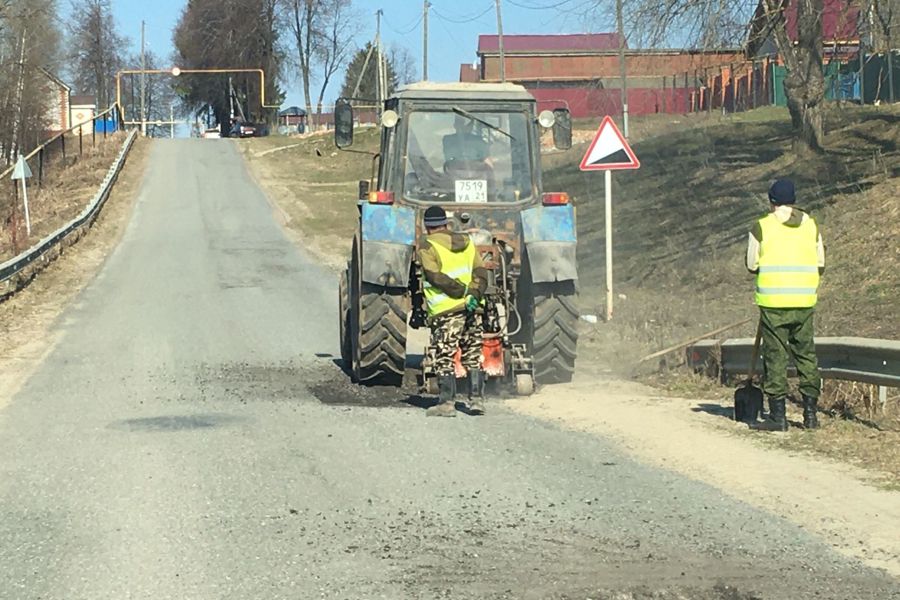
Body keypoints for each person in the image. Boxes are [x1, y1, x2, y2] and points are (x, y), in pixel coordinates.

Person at [746, 178, 825, 431]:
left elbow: (751, 264)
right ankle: (811, 416)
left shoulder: (762, 227)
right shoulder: (811, 226)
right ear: (794, 200)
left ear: (772, 202)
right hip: (803, 302)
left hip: (773, 305)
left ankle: (778, 417)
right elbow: (821, 264)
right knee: (806, 356)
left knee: (775, 357)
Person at [418, 206, 489, 417]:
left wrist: (462, 291)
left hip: (446, 310)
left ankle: (446, 404)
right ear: (446, 223)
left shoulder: (427, 245)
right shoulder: (467, 242)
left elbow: (434, 277)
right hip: (472, 308)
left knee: (445, 355)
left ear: (427, 226)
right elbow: (481, 271)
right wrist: (474, 294)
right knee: (473, 353)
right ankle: (476, 401)